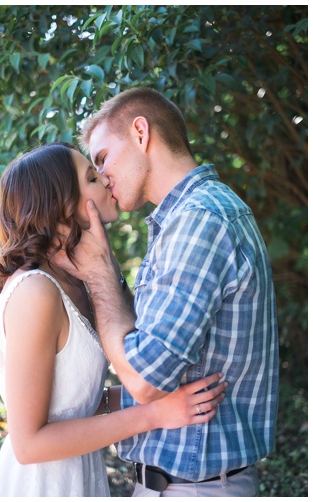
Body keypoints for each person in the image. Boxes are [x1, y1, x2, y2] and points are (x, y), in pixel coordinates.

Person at [53, 87, 278, 496]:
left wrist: (100, 275)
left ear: (141, 133)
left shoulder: (199, 221)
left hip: (196, 489)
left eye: (102, 158)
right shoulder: (187, 219)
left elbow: (145, 380)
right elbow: (153, 356)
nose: (102, 176)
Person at [0, 143, 228, 497]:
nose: (106, 179)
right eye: (91, 177)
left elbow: (68, 398)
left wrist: (108, 269)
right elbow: (29, 444)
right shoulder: (36, 292)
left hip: (78, 472)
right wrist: (155, 414)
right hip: (40, 485)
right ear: (61, 204)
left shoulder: (76, 280)